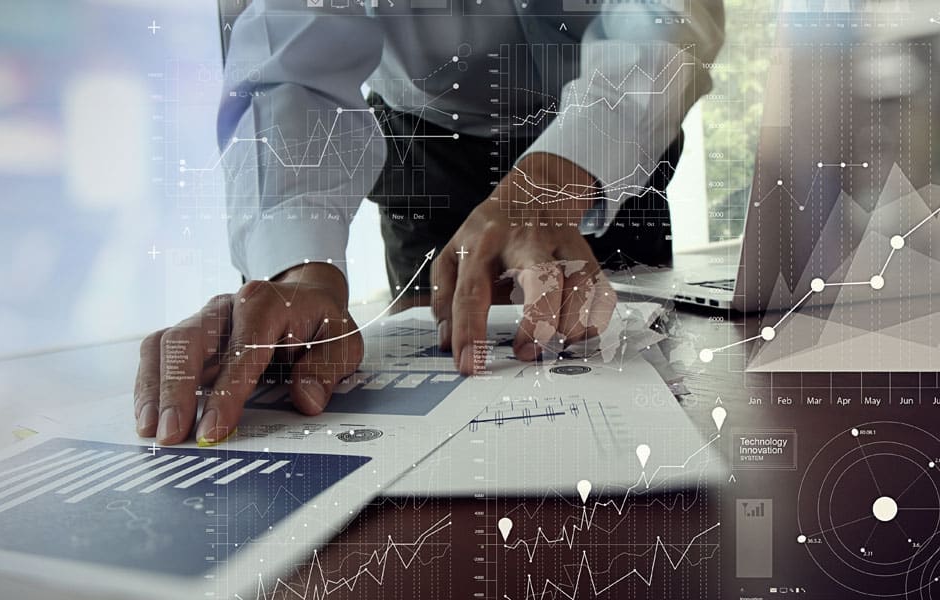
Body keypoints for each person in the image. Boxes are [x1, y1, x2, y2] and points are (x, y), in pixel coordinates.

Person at [136, 1, 724, 446]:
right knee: (442, 374)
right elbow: (290, 60)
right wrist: (300, 270)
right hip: (428, 144)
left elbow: (664, 14)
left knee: (621, 350)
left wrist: (552, 183)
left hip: (608, 144)